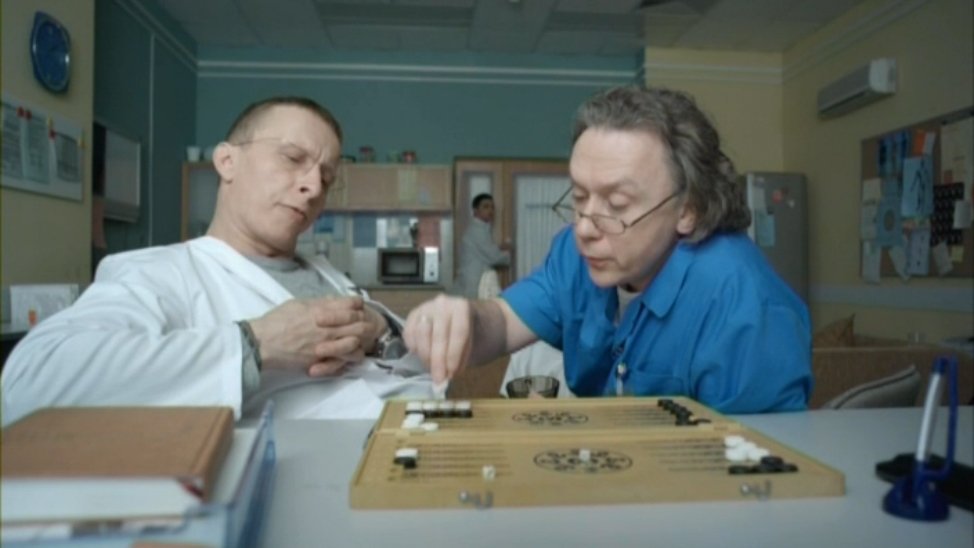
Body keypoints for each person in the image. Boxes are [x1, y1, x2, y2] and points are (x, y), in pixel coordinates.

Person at [1, 96, 432, 426]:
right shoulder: (162, 273)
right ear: (227, 161)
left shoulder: (325, 272)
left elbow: (405, 365)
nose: (313, 187)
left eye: (326, 176)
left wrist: (382, 330)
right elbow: (32, 381)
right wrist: (255, 345)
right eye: (292, 158)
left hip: (426, 430)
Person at [404, 85, 811, 414]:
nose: (584, 228)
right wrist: (467, 319)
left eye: (616, 205)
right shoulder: (574, 254)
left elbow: (755, 469)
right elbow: (504, 323)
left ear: (688, 209)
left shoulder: (745, 307)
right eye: (580, 197)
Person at [454, 193, 511, 299]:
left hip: (473, 281)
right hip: (473, 282)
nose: (490, 210)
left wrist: (498, 248)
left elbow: (485, 252)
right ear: (475, 210)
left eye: (492, 207)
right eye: (486, 207)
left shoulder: (481, 230)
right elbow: (493, 257)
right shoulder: (477, 231)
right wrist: (511, 254)